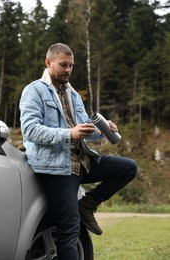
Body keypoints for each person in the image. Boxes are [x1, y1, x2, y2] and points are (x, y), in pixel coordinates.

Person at [19, 43, 137, 260]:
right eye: (63, 65)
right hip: (56, 169)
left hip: (83, 161)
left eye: (71, 66)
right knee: (69, 229)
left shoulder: (73, 94)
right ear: (48, 62)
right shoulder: (33, 90)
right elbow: (31, 130)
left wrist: (103, 129)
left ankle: (88, 204)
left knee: (128, 168)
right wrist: (69, 134)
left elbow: (83, 130)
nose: (68, 70)